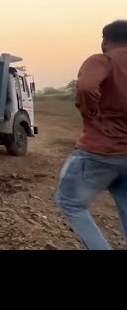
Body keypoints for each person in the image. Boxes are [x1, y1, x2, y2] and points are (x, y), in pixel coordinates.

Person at [55, 19, 127, 250]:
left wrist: (91, 113)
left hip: (100, 150)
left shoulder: (102, 60)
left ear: (105, 40)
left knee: (70, 202)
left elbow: (86, 87)